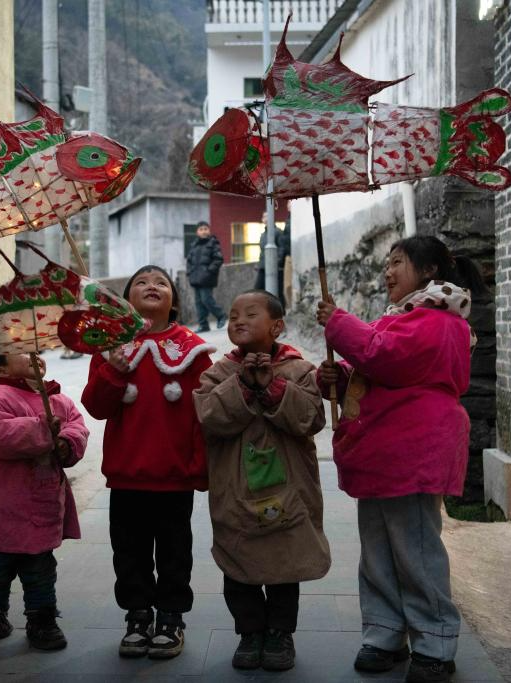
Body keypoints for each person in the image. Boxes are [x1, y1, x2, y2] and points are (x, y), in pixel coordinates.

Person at [315, 235, 483, 683]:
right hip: (383, 454)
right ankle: (385, 633)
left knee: (416, 552)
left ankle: (435, 643)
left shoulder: (440, 321)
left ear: (428, 271)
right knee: (378, 551)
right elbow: (371, 369)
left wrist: (339, 324)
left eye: (397, 262)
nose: (387, 271)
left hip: (414, 452)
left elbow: (384, 355)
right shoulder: (400, 318)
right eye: (387, 263)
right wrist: (337, 377)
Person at [81, 265, 216, 660]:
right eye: (141, 282)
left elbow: (205, 414)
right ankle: (137, 616)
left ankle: (171, 618)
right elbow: (96, 407)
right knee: (129, 553)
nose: (151, 286)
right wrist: (113, 370)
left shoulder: (192, 349)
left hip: (175, 476)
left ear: (174, 300)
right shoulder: (111, 347)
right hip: (126, 475)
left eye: (161, 282)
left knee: (175, 553)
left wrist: (200, 467)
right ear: (127, 300)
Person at [194, 290, 330, 672]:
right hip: (236, 489)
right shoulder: (218, 373)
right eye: (233, 315)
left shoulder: (298, 370)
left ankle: (280, 633)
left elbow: (312, 419)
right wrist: (241, 384)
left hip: (289, 489)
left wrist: (272, 387)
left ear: (277, 326)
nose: (238, 320)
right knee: (239, 560)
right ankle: (250, 632)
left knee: (285, 562)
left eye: (250, 314)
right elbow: (209, 417)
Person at [0, 353, 89, 652]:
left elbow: (77, 426)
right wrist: (44, 429)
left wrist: (66, 442)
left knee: (40, 567)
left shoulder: (57, 399)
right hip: (0, 502)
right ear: (0, 369)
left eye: (36, 350)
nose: (35, 356)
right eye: (21, 351)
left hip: (42, 501)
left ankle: (42, 620)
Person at [185, 220, 227, 332]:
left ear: (209, 230)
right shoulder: (194, 245)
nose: (203, 231)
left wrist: (209, 271)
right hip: (195, 278)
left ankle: (221, 315)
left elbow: (218, 259)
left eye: (205, 229)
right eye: (201, 229)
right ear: (197, 232)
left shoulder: (213, 243)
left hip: (207, 278)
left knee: (206, 299)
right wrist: (189, 272)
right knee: (198, 303)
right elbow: (189, 261)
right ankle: (203, 325)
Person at [253, 212, 288, 304]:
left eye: (266, 216)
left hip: (276, 268)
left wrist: (277, 263)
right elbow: (262, 252)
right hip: (263, 267)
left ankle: (281, 310)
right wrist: (259, 264)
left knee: (277, 292)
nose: (264, 218)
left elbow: (282, 249)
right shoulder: (263, 235)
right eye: (263, 216)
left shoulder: (278, 232)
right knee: (258, 290)